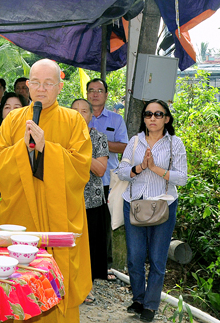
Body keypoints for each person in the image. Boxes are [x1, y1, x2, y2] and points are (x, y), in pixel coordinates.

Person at [0, 59, 92, 323]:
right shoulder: (13, 119)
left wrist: (48, 148)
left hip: (58, 215)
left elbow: (81, 167)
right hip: (20, 214)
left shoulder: (73, 120)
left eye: (48, 83)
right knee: (17, 284)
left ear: (60, 86)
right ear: (27, 85)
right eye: (35, 82)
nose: (41, 88)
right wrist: (21, 148)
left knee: (59, 285)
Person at [116, 99, 187, 322]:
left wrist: (155, 168)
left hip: (163, 204)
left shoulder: (175, 143)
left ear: (167, 119)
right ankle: (138, 299)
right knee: (135, 257)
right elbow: (121, 171)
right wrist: (140, 168)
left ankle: (150, 305)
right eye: (148, 114)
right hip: (135, 203)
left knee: (157, 259)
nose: (152, 118)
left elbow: (182, 178)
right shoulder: (135, 141)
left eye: (158, 114)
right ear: (144, 118)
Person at [86, 77, 128, 276]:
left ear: (106, 95)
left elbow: (124, 146)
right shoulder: (77, 116)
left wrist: (99, 141)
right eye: (91, 90)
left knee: (104, 225)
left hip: (106, 179)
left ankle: (103, 267)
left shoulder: (115, 119)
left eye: (99, 91)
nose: (95, 94)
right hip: (80, 180)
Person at [71, 98, 109, 295]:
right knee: (71, 245)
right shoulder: (62, 137)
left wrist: (80, 155)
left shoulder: (99, 138)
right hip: (68, 199)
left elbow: (101, 170)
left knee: (91, 246)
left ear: (91, 115)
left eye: (84, 111)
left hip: (92, 201)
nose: (79, 114)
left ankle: (87, 288)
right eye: (75, 110)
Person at [0, 92, 28, 223]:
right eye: (7, 107)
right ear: (1, 111)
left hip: (23, 196)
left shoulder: (32, 135)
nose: (11, 111)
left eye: (17, 107)